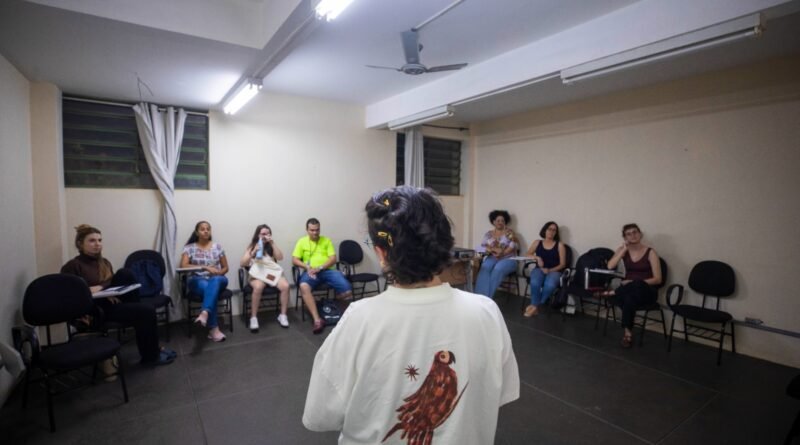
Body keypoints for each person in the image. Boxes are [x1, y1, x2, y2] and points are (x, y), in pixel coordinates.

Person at [303, 186, 519, 444]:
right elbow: (500, 392)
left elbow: (321, 414)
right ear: (444, 244)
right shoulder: (486, 312)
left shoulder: (359, 319)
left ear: (382, 253)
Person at [61, 224, 175, 366]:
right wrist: (90, 290)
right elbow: (69, 294)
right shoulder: (73, 265)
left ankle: (153, 351)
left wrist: (102, 288)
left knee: (125, 273)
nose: (97, 244)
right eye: (92, 241)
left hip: (112, 303)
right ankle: (151, 356)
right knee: (146, 311)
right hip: (96, 310)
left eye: (100, 240)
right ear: (80, 244)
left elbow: (111, 281)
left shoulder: (104, 263)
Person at [605, 223, 662, 348]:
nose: (633, 235)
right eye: (629, 234)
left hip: (647, 291)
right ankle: (627, 333)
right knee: (629, 298)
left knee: (637, 283)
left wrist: (632, 282)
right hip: (629, 292)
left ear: (640, 234)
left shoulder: (650, 252)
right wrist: (623, 250)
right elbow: (610, 266)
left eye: (635, 232)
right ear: (625, 238)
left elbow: (658, 279)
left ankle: (614, 292)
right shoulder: (623, 250)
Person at [291, 218, 352, 334]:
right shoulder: (301, 242)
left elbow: (333, 259)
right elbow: (295, 260)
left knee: (347, 291)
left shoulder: (326, 240)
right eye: (312, 230)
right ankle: (317, 320)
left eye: (317, 230)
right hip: (310, 272)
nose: (315, 233)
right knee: (304, 286)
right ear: (307, 230)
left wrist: (320, 268)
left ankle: (333, 306)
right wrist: (307, 267)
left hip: (327, 271)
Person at [180, 221, 229, 342]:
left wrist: (218, 273)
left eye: (208, 229)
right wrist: (205, 267)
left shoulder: (218, 247)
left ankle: (204, 313)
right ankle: (213, 329)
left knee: (214, 281)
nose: (206, 231)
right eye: (202, 229)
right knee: (209, 289)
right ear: (197, 232)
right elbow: (183, 265)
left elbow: (225, 267)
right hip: (197, 280)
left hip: (217, 279)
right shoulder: (189, 248)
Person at [240, 224, 291, 332]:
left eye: (268, 234)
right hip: (258, 274)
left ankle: (283, 315)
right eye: (263, 234)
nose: (265, 236)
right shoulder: (252, 246)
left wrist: (272, 243)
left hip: (269, 274)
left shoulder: (270, 246)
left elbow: (280, 257)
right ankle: (253, 317)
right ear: (258, 235)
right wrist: (253, 251)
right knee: (258, 287)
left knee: (285, 286)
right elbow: (243, 263)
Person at [523, 221, 567, 317]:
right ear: (545, 230)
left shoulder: (560, 245)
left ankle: (535, 306)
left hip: (555, 270)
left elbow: (563, 264)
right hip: (539, 269)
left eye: (554, 230)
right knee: (535, 282)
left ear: (556, 233)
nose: (551, 232)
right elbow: (527, 254)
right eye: (549, 229)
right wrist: (537, 258)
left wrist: (550, 270)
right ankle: (536, 307)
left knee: (550, 285)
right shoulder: (537, 242)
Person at [474, 210, 519, 298]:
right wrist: (491, 250)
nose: (500, 222)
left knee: (497, 269)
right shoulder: (488, 234)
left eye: (502, 221)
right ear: (493, 222)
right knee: (485, 267)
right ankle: (478, 297)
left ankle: (487, 298)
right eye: (498, 220)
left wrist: (502, 253)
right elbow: (482, 247)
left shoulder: (509, 232)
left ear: (505, 222)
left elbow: (514, 245)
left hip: (509, 259)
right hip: (493, 257)